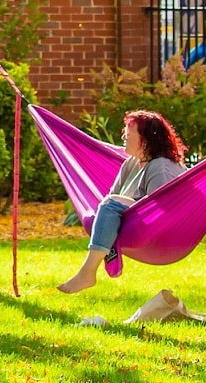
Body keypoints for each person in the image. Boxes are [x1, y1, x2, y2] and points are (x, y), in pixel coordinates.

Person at [57, 111, 186, 294]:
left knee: (110, 205)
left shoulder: (160, 167)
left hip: (155, 231)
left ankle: (88, 271)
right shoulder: (131, 164)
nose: (124, 137)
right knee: (94, 216)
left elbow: (161, 210)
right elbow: (111, 196)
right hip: (129, 222)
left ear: (145, 139)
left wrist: (118, 207)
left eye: (129, 133)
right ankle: (109, 248)